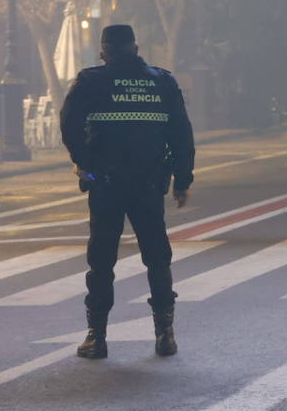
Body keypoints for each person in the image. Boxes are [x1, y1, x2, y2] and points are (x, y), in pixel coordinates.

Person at [60, 24, 195, 360]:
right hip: (149, 184)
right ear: (135, 49)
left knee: (101, 261)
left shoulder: (90, 82)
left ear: (103, 52)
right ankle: (165, 335)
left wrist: (85, 164)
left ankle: (97, 337)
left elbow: (69, 126)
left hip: (105, 183)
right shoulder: (162, 82)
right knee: (157, 258)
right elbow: (181, 134)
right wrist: (182, 180)